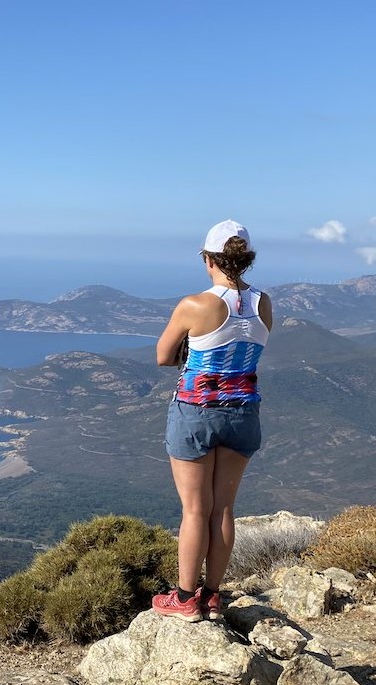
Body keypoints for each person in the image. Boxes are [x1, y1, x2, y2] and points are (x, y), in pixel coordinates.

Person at [152, 220, 272, 622]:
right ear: (247, 260)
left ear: (209, 260)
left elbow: (164, 356)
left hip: (196, 412)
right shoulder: (263, 304)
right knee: (223, 510)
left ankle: (185, 599)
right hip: (243, 412)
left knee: (194, 510)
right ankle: (213, 596)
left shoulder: (195, 305)